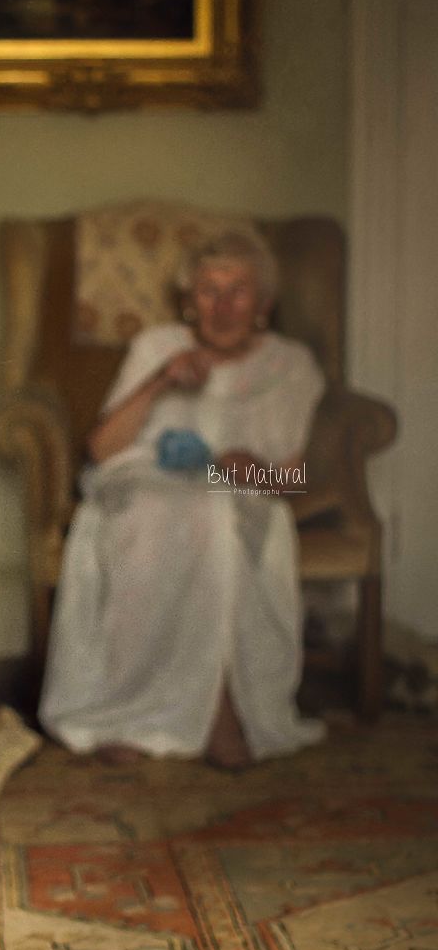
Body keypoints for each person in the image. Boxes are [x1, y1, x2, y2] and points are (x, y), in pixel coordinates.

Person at [38, 232, 327, 771]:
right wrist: (161, 379)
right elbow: (102, 450)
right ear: (190, 301)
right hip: (143, 479)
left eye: (237, 291)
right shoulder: (158, 345)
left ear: (263, 303)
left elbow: (293, 480)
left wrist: (260, 472)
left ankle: (222, 704)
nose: (220, 306)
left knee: (213, 515)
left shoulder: (291, 366)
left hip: (237, 490)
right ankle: (125, 711)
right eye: (208, 291)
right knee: (155, 514)